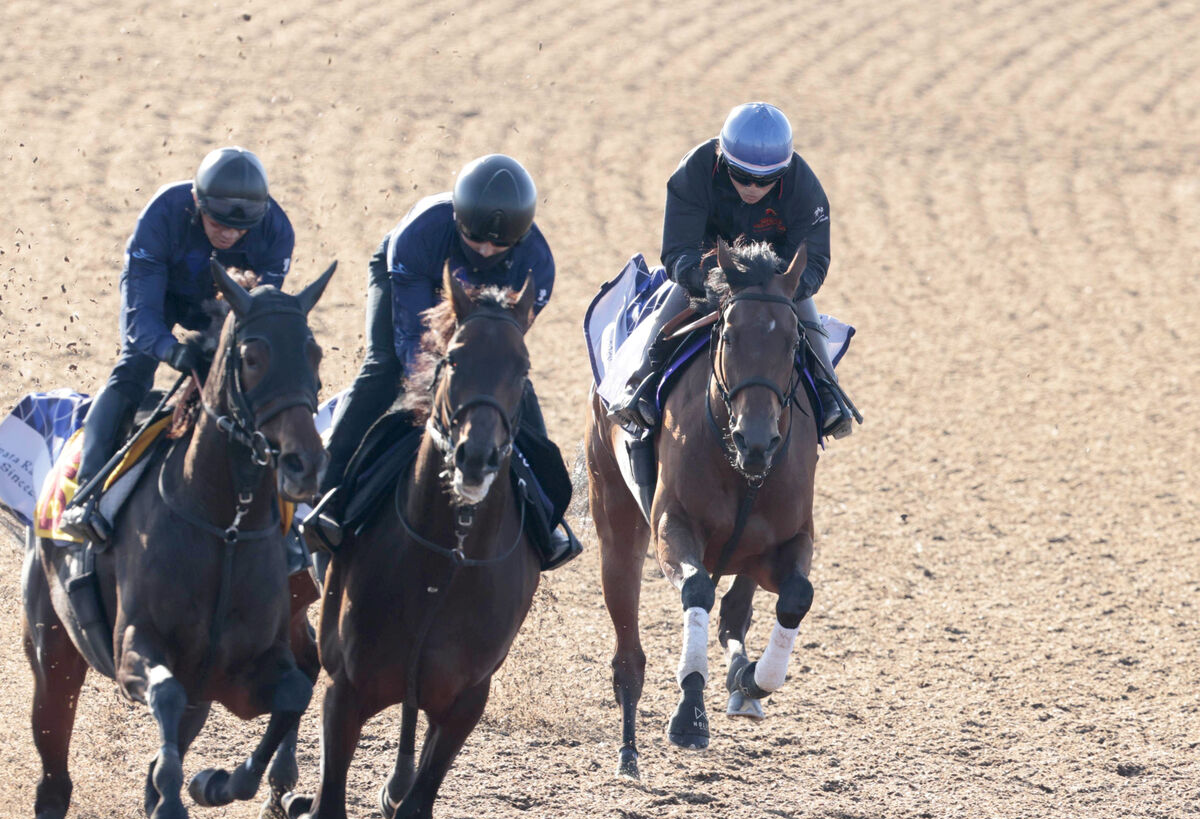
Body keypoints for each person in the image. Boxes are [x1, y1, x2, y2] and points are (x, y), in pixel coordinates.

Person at [309, 154, 580, 570]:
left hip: (486, 308)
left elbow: (500, 351)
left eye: (499, 244)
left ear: (520, 239)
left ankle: (546, 515)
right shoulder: (419, 236)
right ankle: (325, 490)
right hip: (413, 282)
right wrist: (434, 383)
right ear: (457, 220)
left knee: (512, 382)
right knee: (384, 369)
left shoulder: (536, 268)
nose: (487, 250)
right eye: (475, 239)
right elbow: (412, 343)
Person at [59, 147, 296, 545]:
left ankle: (283, 518)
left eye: (240, 230)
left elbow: (253, 316)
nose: (229, 234)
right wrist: (171, 350)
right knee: (133, 367)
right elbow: (141, 318)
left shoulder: (276, 231)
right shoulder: (162, 214)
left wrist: (216, 351)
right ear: (196, 202)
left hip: (223, 303)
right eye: (218, 222)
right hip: (163, 292)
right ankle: (86, 495)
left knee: (256, 378)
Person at [609, 102, 853, 438]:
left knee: (804, 312)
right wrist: (703, 279)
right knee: (671, 305)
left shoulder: (804, 187)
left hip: (776, 278)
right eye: (742, 176)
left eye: (767, 180)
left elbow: (814, 261)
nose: (753, 188)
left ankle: (829, 392)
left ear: (785, 171)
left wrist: (785, 287)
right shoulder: (695, 169)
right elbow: (677, 249)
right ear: (722, 159)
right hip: (709, 272)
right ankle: (640, 384)